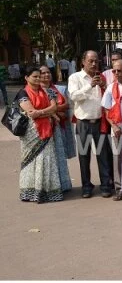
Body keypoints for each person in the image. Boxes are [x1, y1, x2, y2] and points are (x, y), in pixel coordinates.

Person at [68, 50, 114, 198]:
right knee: (84, 156)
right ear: (83, 61)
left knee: (103, 155)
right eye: (90, 61)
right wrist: (89, 85)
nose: (94, 64)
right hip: (83, 123)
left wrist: (104, 87)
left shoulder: (102, 77)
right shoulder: (75, 77)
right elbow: (74, 96)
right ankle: (86, 187)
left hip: (100, 122)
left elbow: (110, 99)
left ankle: (106, 185)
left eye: (96, 61)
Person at [16, 67, 63, 203]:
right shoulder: (23, 93)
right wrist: (46, 112)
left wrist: (40, 112)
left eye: (39, 76)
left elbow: (54, 107)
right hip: (31, 134)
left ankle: (49, 192)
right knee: (30, 162)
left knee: (47, 160)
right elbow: (30, 111)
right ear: (26, 78)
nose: (38, 79)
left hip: (47, 131)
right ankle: (30, 192)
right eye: (34, 77)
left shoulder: (48, 91)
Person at [39, 65, 72, 192]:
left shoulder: (60, 89)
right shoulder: (36, 91)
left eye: (48, 72)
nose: (46, 75)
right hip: (43, 129)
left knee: (60, 156)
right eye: (43, 73)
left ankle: (63, 185)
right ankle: (49, 187)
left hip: (59, 128)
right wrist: (55, 111)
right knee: (47, 158)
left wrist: (55, 110)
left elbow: (68, 104)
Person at [102, 59, 122, 201]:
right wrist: (113, 125)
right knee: (117, 159)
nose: (116, 73)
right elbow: (107, 110)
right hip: (117, 129)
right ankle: (120, 189)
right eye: (114, 71)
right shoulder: (110, 88)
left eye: (119, 70)